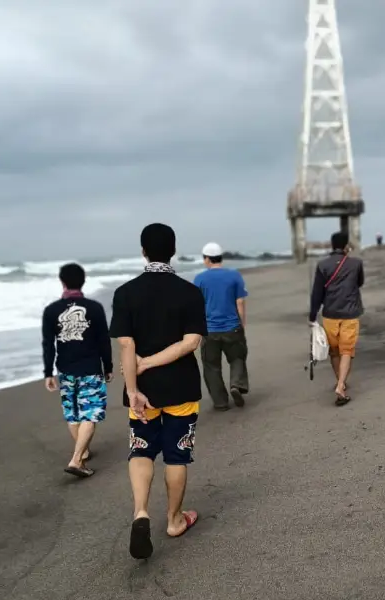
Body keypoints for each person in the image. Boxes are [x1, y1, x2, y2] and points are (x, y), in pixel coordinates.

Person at [109, 223, 207, 560]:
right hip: (181, 386)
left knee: (141, 450)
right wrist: (150, 362)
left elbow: (125, 344)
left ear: (143, 251)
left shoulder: (125, 293)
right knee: (177, 455)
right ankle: (175, 520)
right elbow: (191, 342)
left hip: (143, 392)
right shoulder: (189, 292)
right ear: (173, 250)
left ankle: (140, 513)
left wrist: (133, 386)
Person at [41, 262, 113, 478]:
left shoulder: (51, 310)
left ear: (62, 282)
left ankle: (83, 452)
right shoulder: (94, 308)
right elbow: (104, 341)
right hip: (90, 368)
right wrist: (107, 366)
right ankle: (76, 459)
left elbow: (48, 343)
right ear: (83, 281)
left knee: (73, 415)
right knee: (89, 414)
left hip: (66, 369)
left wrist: (48, 373)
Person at [308, 231, 364, 406]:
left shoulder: (323, 265)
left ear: (331, 245)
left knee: (334, 351)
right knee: (346, 350)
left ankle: (341, 381)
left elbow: (317, 292)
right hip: (350, 312)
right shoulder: (356, 264)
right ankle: (340, 385)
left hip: (330, 313)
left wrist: (312, 315)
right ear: (346, 245)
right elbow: (359, 283)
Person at [192, 242, 250, 411]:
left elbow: (197, 306)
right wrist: (242, 324)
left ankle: (220, 402)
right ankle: (236, 384)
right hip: (232, 327)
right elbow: (240, 302)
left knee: (211, 366)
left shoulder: (200, 279)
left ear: (207, 259)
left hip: (210, 330)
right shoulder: (234, 276)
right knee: (237, 358)